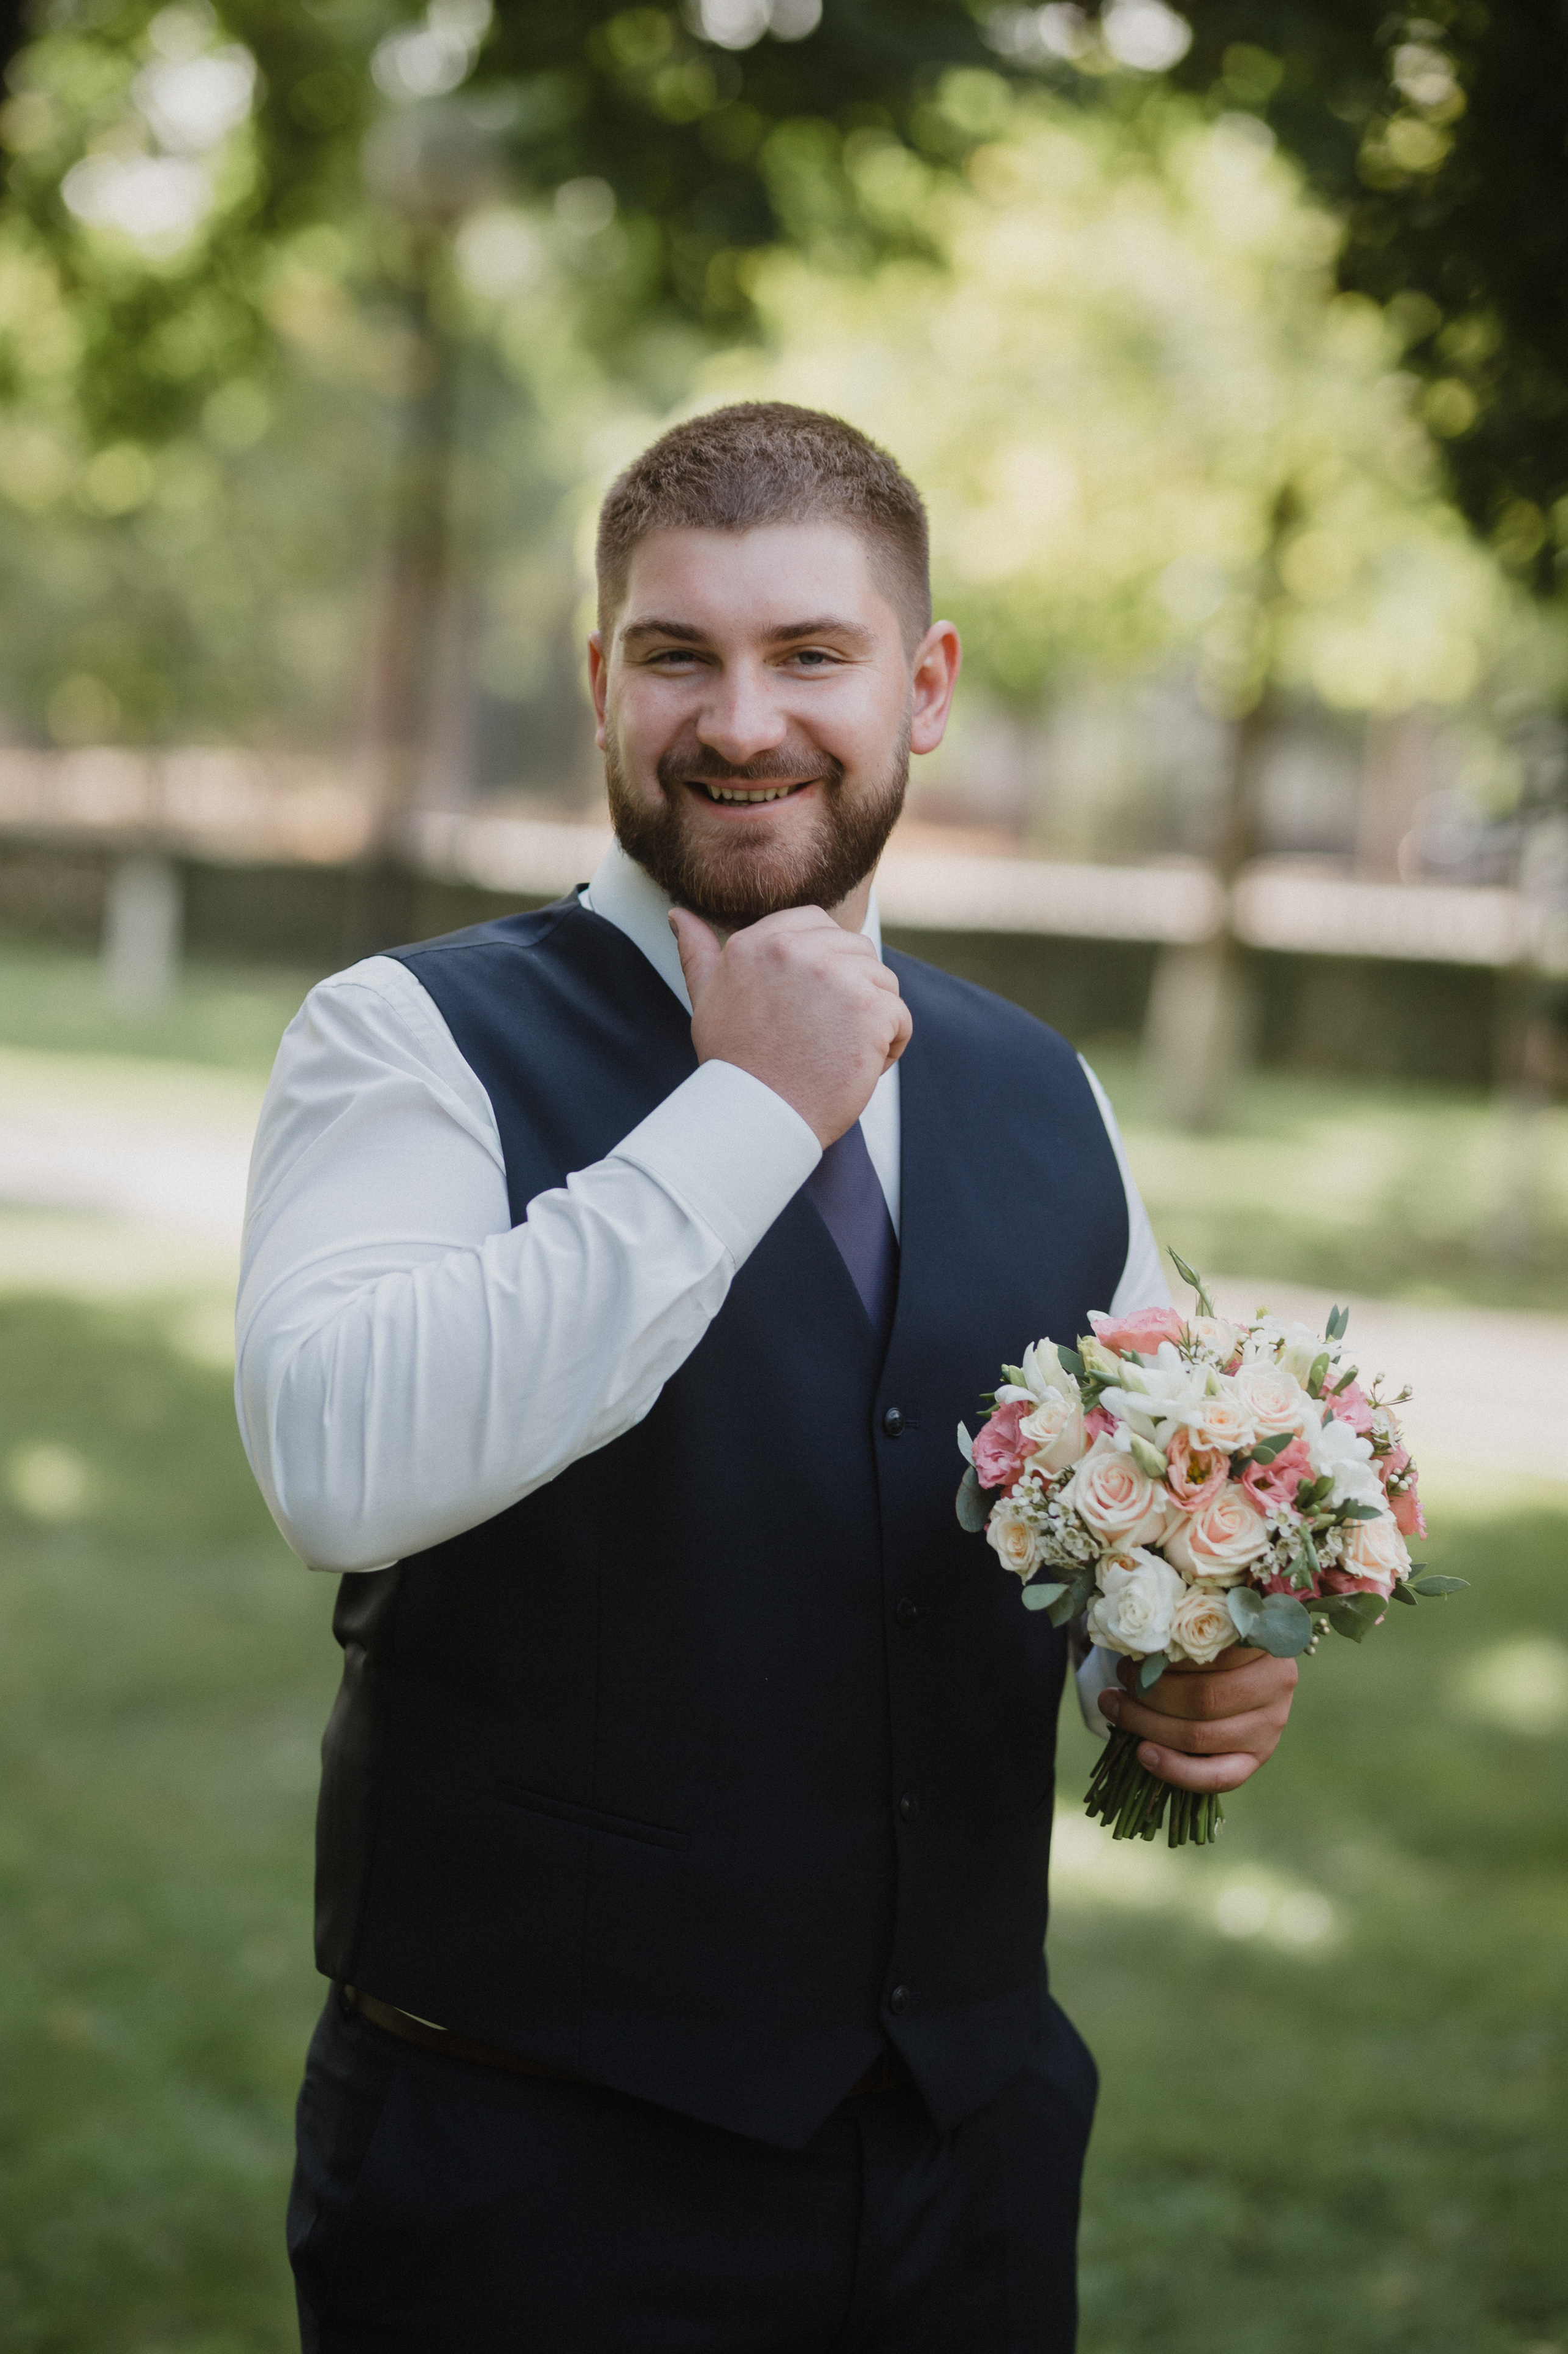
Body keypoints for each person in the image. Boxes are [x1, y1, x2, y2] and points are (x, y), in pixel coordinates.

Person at [237, 402, 1297, 2352]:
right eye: (678, 655)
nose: (742, 720)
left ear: (928, 685)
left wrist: (1182, 1661)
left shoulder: (1041, 1091)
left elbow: (1116, 1515)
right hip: (533, 2187)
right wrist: (746, 1112)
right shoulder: (405, 1040)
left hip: (967, 2164)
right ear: (601, 683)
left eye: (811, 653)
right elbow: (338, 1467)